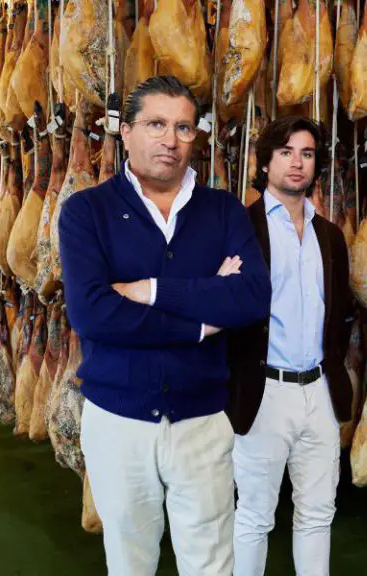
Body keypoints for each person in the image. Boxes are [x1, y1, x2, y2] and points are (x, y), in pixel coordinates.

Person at [58, 75, 272, 576]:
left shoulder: (223, 210)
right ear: (127, 131)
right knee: (130, 562)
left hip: (202, 420)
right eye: (156, 124)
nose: (170, 140)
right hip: (119, 422)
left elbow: (252, 297)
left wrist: (151, 290)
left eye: (183, 127)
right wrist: (200, 321)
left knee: (211, 562)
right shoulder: (86, 212)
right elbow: (91, 312)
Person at [226, 116, 354, 576]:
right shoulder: (241, 229)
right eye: (285, 153)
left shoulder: (330, 236)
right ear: (265, 163)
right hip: (264, 391)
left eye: (307, 153)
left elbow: (339, 313)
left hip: (318, 391)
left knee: (318, 514)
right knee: (254, 516)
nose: (297, 163)